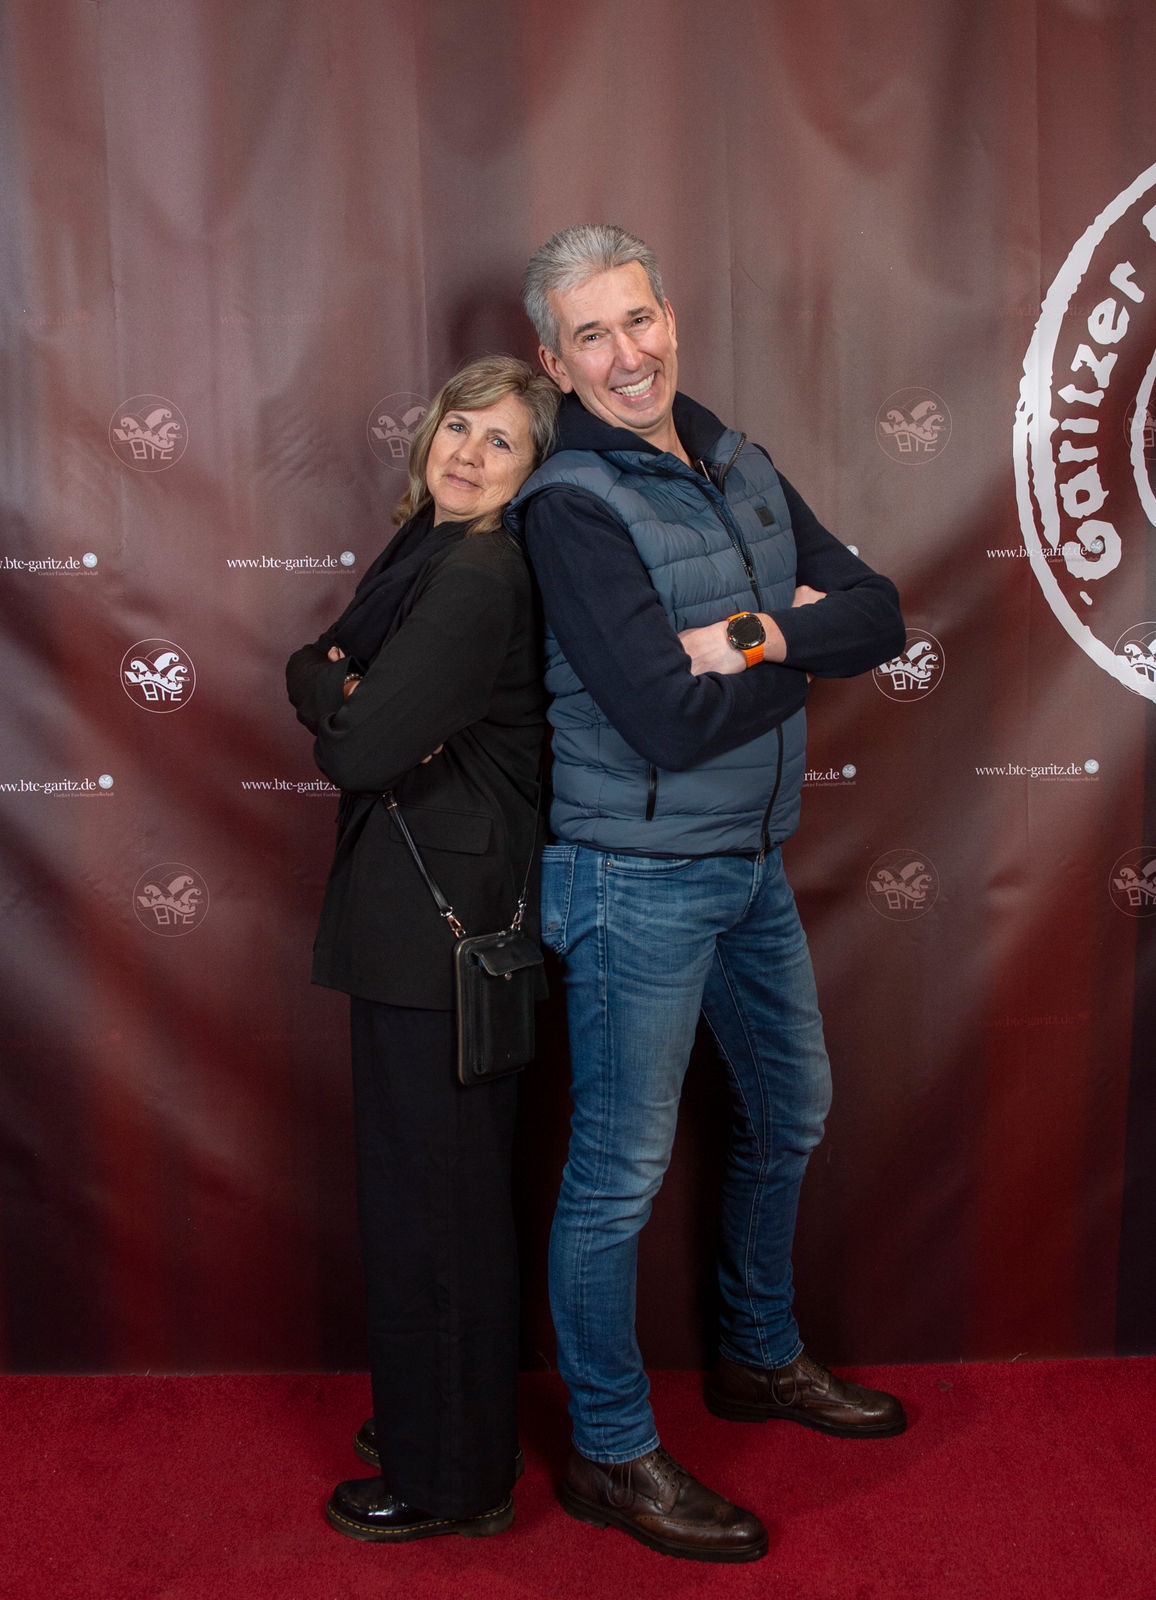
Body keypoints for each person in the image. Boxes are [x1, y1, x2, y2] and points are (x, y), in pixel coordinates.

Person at [503, 225, 908, 1564]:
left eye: (640, 319)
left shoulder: (739, 460)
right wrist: (805, 649)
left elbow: (877, 612)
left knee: (791, 1112)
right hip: (633, 880)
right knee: (619, 1175)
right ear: (555, 362)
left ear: (671, 315)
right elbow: (667, 721)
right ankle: (612, 1452)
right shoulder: (571, 504)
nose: (628, 354)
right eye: (593, 336)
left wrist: (752, 633)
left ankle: (756, 1356)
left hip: (749, 862)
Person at [286, 355, 559, 1543]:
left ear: (530, 473)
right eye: (460, 427)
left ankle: (454, 1476)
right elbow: (316, 664)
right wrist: (341, 689)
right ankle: (438, 1421)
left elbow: (352, 746)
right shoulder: (426, 548)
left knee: (434, 1212)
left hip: (442, 941)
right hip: (414, 922)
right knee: (422, 1199)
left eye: (502, 442)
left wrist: (345, 697)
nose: (468, 453)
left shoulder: (480, 574)